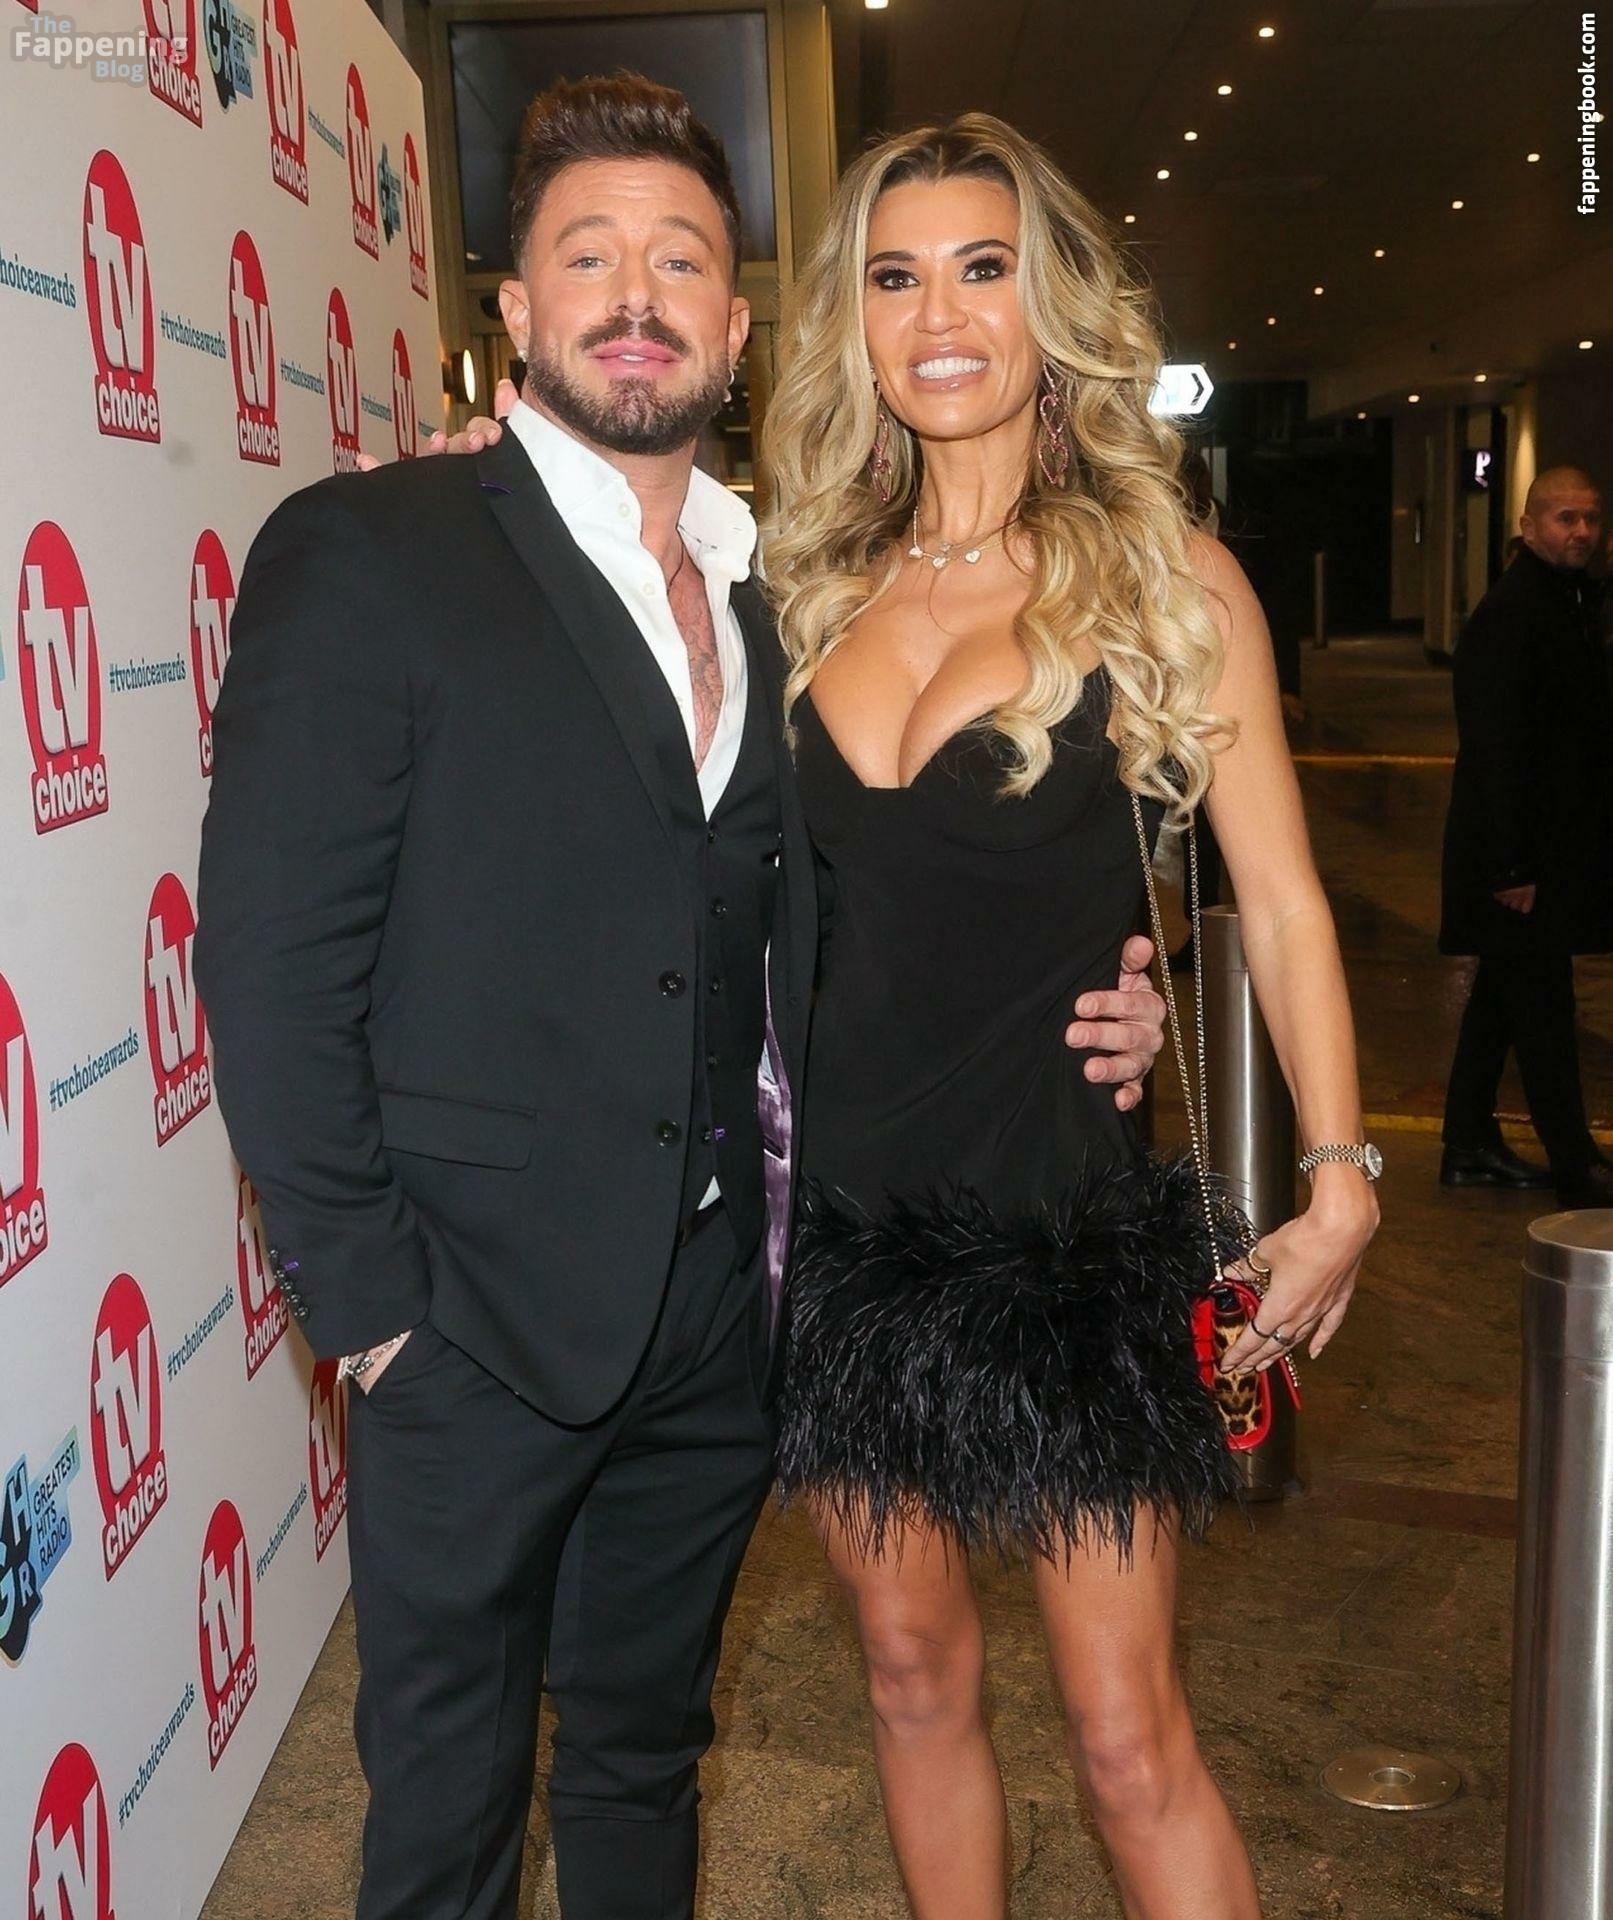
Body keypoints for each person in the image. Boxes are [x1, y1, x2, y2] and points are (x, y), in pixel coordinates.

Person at [195, 76, 1165, 1920]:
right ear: (515, 310)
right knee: (448, 1822)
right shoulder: (373, 549)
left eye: (679, 261)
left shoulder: (785, 592)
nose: (634, 295)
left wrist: (1119, 994)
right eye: (588, 257)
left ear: (734, 327)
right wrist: (373, 1316)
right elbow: (267, 963)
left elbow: (904, 882)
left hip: (720, 1328)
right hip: (466, 1330)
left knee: (644, 1766)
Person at [754, 115, 1375, 1920]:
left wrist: (1340, 1178)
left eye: (983, 269)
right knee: (906, 1678)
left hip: (1065, 1232)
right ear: (854, 321)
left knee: (1123, 1736)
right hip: (840, 1237)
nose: (937, 316)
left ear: (1053, 308)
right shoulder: (795, 582)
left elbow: (1281, 901)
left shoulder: (1165, 580)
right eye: (894, 277)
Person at [1439, 466, 1613, 1206]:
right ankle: (1574, 1163)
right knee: (1541, 1010)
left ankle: (1467, 1143)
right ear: (1528, 526)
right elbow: (1495, 747)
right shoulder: (1514, 612)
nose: (1581, 531)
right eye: (1565, 518)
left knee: (1502, 998)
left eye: (1590, 518)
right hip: (1516, 860)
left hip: (1544, 853)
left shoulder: (1566, 601)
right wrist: (1512, 865)